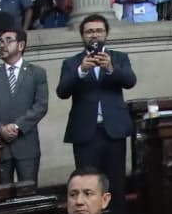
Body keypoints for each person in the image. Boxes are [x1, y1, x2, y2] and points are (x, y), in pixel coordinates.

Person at [58, 14, 138, 200]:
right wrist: (81, 71)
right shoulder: (71, 63)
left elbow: (130, 81)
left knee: (116, 184)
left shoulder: (119, 57)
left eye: (99, 31)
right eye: (89, 32)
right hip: (85, 134)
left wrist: (111, 68)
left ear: (106, 34)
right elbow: (62, 91)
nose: (94, 35)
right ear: (83, 36)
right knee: (88, 185)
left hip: (113, 131)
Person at [0, 28, 50, 187]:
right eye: (0, 42)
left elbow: (41, 105)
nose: (3, 45)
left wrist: (17, 126)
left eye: (8, 40)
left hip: (26, 145)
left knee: (28, 195)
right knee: (0, 197)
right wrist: (0, 129)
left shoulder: (36, 73)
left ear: (21, 45)